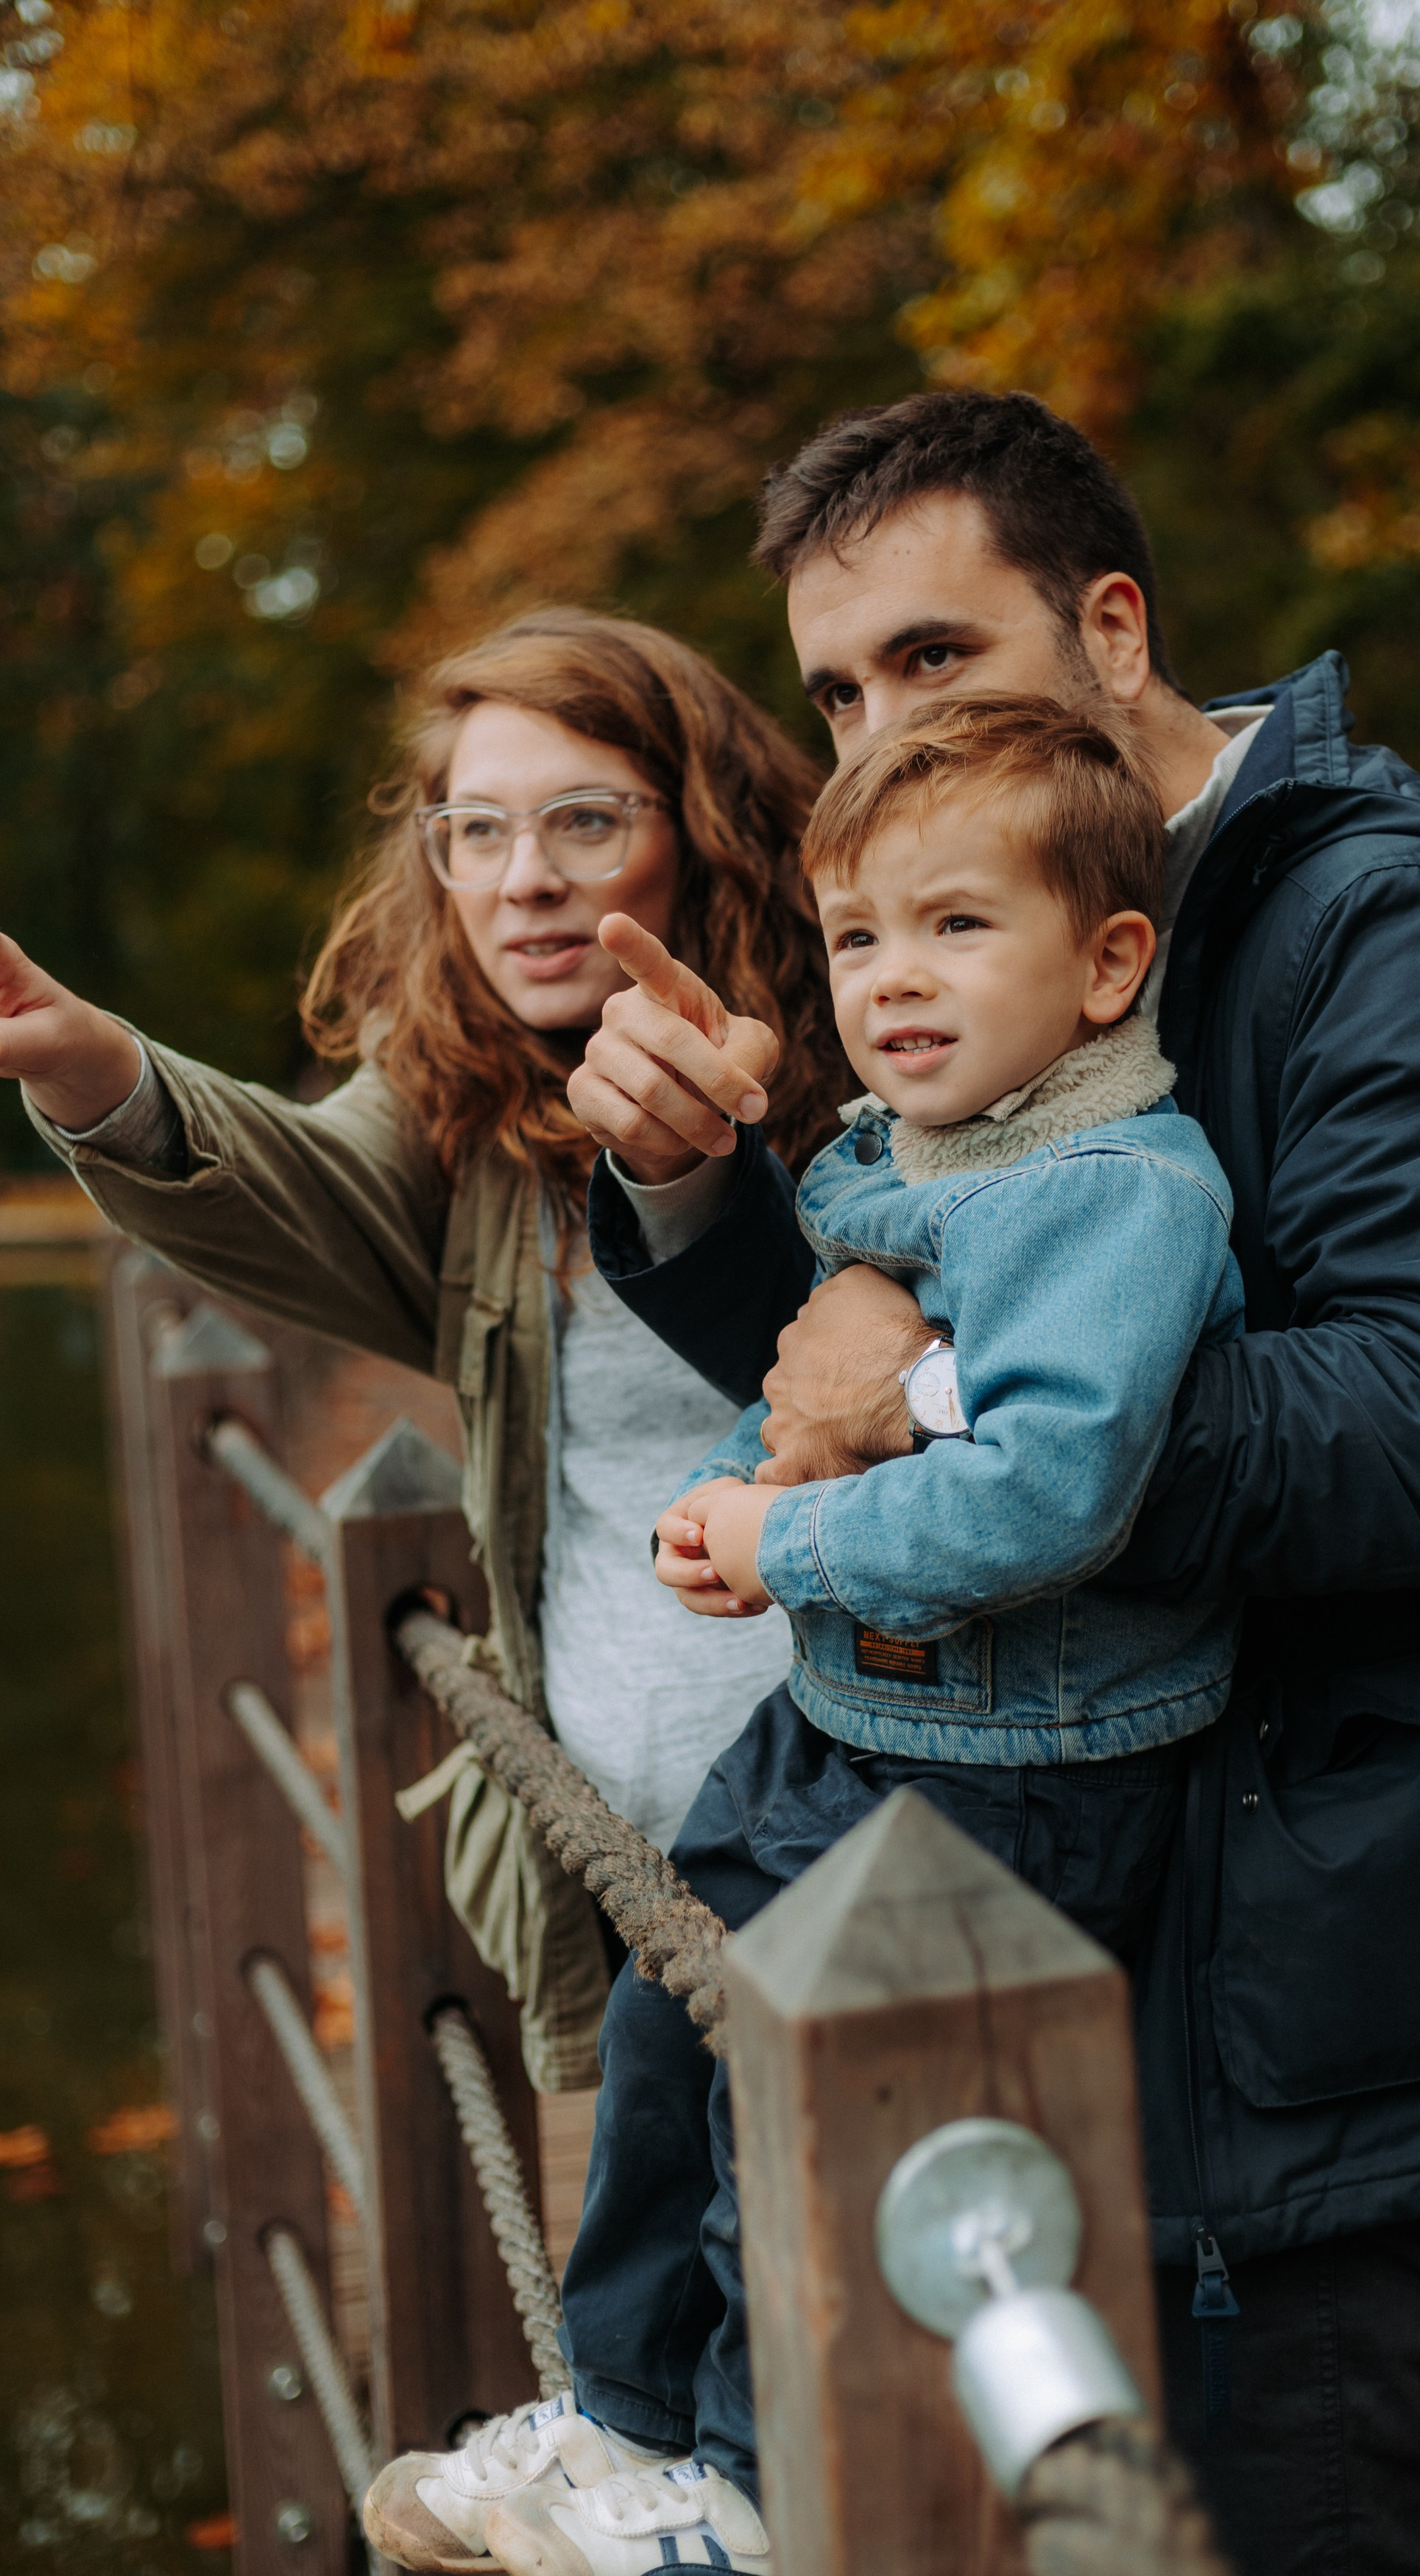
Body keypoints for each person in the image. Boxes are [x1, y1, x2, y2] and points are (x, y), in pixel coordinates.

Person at [560, 391, 1420, 2576]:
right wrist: (711, 1196)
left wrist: (950, 1399)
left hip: (1321, 1976)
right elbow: (870, 1366)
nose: (875, 719)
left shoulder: (1402, 928)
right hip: (1029, 1880)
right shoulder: (969, 902)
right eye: (832, 686)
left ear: (1108, 624)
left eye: (929, 654)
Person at [0, 607, 850, 2573]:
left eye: (580, 817)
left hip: (853, 1822)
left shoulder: (857, 1050)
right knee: (684, 2233)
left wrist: (723, 1167)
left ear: (703, 828)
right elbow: (294, 1194)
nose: (522, 878)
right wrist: (89, 1070)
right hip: (626, 1824)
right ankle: (645, 2459)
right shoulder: (470, 1104)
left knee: (812, 2317)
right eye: (474, 832)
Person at [483, 687, 1248, 2576]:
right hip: (841, 1721)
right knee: (678, 2034)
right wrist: (732, 1491)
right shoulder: (919, 1146)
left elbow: (1047, 1493)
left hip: (1015, 1772)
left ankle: (744, 2486)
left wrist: (791, 1531)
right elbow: (826, 1370)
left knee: (803, 2133)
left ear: (1107, 963)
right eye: (856, 937)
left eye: (958, 925)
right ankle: (627, 2420)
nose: (893, 979)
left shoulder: (1115, 1194)